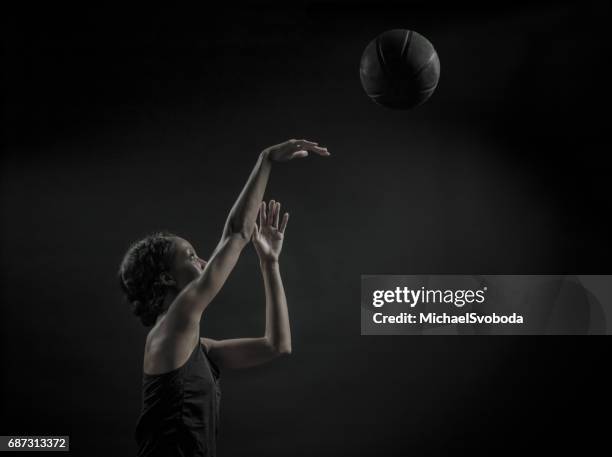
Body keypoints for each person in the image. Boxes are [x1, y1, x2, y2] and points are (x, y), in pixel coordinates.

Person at [118, 139, 330, 457]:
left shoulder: (198, 348)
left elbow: (277, 345)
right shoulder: (169, 331)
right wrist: (267, 158)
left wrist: (269, 262)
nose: (203, 262)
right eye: (190, 256)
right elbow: (236, 233)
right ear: (165, 277)